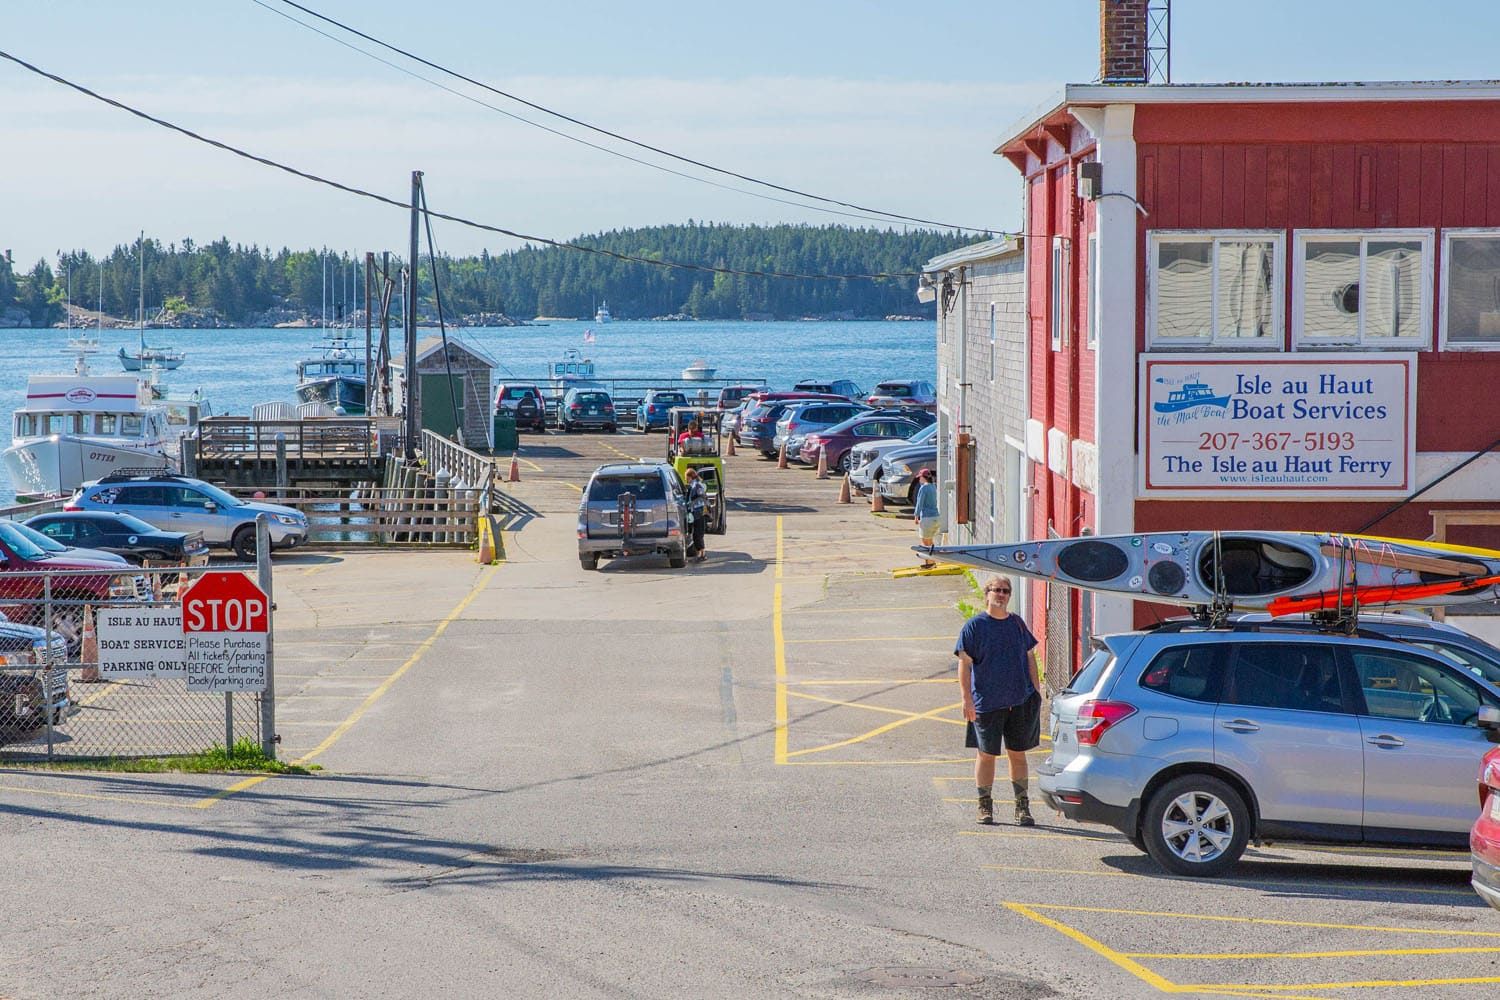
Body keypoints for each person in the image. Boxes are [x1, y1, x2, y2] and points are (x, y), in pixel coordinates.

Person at [955, 575, 1042, 826]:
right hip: (987, 703)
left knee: (1018, 755)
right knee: (986, 755)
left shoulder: (1016, 623)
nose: (1001, 595)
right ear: (987, 594)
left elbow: (1029, 656)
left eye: (1005, 591)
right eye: (997, 590)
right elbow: (964, 664)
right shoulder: (974, 626)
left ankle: (1022, 807)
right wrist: (967, 700)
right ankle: (985, 805)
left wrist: (1035, 692)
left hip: (1019, 702)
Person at [913, 468, 940, 568]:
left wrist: (916, 516)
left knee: (924, 541)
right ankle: (932, 561)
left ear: (923, 478)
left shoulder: (923, 488)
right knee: (930, 541)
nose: (919, 479)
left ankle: (929, 563)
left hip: (927, 518)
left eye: (920, 477)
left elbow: (920, 503)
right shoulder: (933, 486)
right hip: (936, 517)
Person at [683, 466, 708, 562]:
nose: (686, 479)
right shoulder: (694, 485)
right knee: (695, 534)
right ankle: (699, 553)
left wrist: (691, 503)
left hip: (698, 512)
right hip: (695, 512)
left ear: (690, 476)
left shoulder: (697, 485)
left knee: (698, 534)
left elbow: (701, 498)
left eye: (686, 477)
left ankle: (702, 554)